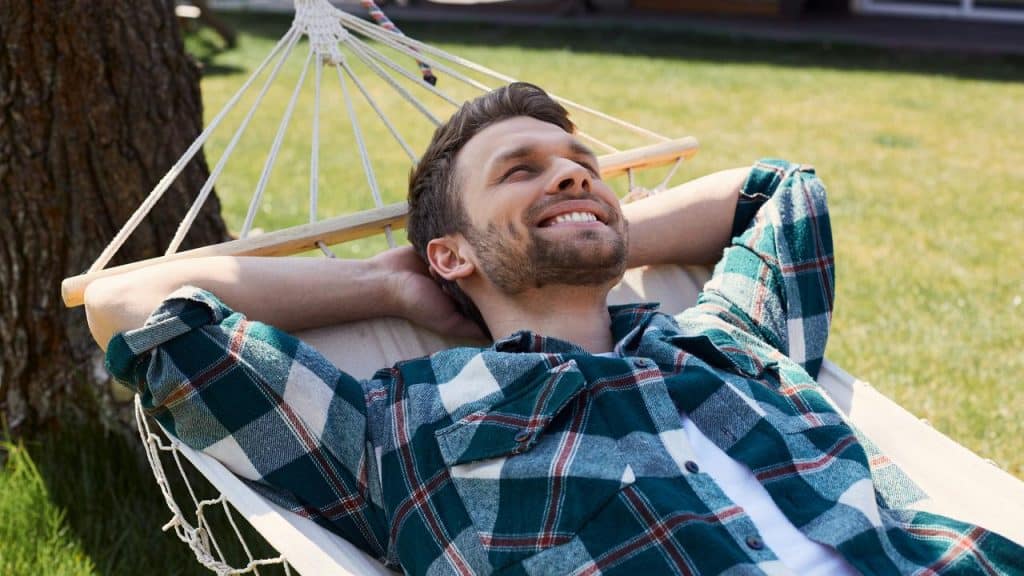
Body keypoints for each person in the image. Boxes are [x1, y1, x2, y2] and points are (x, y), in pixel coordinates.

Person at [84, 83, 1021, 575]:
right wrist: (389, 281)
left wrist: (585, 235)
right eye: (520, 171)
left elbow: (777, 192)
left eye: (582, 166)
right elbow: (127, 304)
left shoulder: (724, 333)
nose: (572, 175)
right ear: (446, 254)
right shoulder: (390, 426)